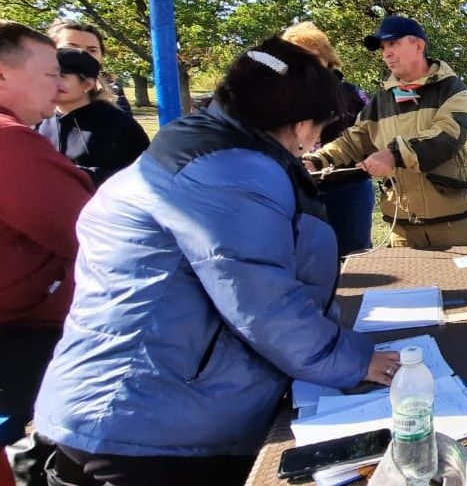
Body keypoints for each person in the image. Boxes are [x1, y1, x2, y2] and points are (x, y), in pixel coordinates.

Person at [33, 38, 400, 486]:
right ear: (303, 126)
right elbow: (264, 305)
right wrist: (351, 358)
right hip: (146, 430)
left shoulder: (203, 146)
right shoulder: (231, 175)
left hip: (134, 408)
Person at [304, 15, 467, 248]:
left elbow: (446, 138)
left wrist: (392, 155)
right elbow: (354, 140)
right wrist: (315, 161)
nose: (386, 53)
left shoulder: (452, 90)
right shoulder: (382, 100)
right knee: (405, 284)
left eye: (394, 43)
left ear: (419, 45)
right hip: (402, 226)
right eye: (384, 47)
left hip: (453, 224)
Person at [0, 22, 94, 449]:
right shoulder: (10, 144)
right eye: (50, 75)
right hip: (24, 337)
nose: (59, 89)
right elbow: (95, 237)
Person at [282, 22, 375, 256]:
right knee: (303, 259)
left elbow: (373, 135)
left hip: (349, 189)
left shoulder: (353, 95)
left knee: (354, 255)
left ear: (327, 59)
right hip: (295, 192)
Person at [36, 48, 149, 186]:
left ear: (87, 84)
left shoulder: (118, 125)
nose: (50, 83)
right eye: (47, 75)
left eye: (61, 76)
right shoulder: (36, 119)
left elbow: (139, 177)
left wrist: (73, 174)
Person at [47, 20, 132, 115]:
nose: (82, 54)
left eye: (92, 50)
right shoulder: (34, 90)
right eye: (71, 47)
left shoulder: (113, 89)